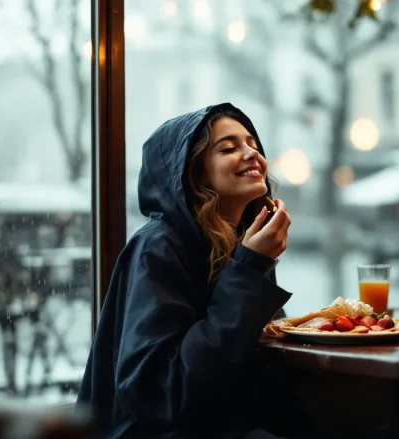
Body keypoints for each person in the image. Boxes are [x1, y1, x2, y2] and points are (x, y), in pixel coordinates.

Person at [76, 103, 294, 439]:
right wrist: (250, 270)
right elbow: (163, 393)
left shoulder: (244, 242)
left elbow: (254, 348)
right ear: (192, 173)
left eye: (252, 143)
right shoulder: (158, 245)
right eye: (229, 148)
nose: (252, 153)